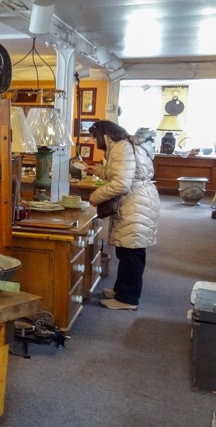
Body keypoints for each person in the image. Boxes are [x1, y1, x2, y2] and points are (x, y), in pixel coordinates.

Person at [86, 120, 160, 311]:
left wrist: (95, 197)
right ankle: (122, 291)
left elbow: (120, 183)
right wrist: (98, 170)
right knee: (127, 251)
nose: (95, 143)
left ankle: (128, 298)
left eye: (94, 138)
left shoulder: (121, 148)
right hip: (137, 201)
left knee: (131, 255)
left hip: (134, 203)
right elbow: (122, 173)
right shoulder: (124, 145)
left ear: (102, 135)